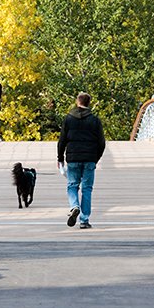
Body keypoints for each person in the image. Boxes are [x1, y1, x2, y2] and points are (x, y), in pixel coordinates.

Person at [57, 92, 105, 229]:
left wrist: (60, 158)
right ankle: (84, 220)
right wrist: (96, 158)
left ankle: (74, 206)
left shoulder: (68, 119)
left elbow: (62, 141)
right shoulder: (95, 120)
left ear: (77, 102)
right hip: (89, 158)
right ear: (89, 103)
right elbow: (101, 143)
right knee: (87, 189)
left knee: (72, 185)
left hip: (73, 158)